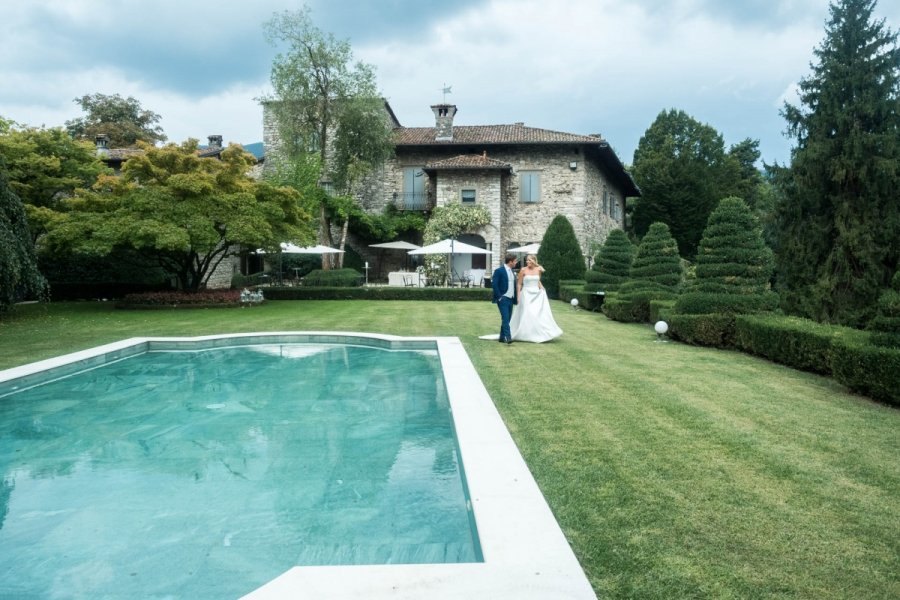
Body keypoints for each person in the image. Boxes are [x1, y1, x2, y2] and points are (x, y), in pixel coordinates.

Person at [509, 254, 563, 343]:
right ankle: (525, 333)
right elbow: (519, 284)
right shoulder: (523, 270)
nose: (527, 262)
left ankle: (539, 333)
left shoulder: (538, 269)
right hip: (526, 294)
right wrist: (518, 296)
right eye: (527, 260)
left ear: (534, 261)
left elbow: (538, 280)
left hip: (536, 294)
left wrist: (542, 288)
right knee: (528, 313)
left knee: (537, 313)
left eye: (530, 260)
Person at [491, 254, 519, 344]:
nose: (516, 262)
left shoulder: (512, 271)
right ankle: (508, 337)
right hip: (503, 298)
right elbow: (494, 285)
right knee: (506, 318)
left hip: (511, 299)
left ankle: (502, 338)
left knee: (508, 319)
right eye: (515, 261)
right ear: (510, 261)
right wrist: (499, 297)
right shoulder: (499, 271)